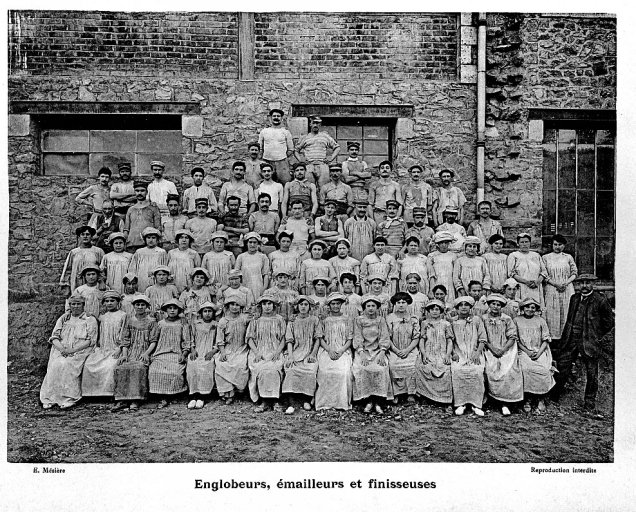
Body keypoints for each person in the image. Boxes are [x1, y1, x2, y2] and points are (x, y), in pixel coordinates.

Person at [553, 273, 614, 414]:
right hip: (571, 339)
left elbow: (609, 323)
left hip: (589, 341)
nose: (584, 286)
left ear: (593, 284)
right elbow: (570, 319)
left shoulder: (600, 300)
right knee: (562, 367)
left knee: (592, 372)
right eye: (581, 283)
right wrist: (566, 336)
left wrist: (596, 335)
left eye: (587, 283)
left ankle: (589, 402)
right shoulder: (574, 298)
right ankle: (555, 396)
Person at [40, 293, 98, 409]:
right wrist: (62, 349)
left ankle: (69, 397)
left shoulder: (89, 319)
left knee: (68, 365)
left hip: (81, 350)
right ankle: (50, 397)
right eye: (73, 304)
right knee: (56, 364)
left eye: (78, 304)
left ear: (83, 305)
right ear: (69, 305)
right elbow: (54, 336)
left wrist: (72, 350)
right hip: (62, 350)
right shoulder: (64, 318)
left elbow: (90, 340)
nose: (75, 306)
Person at [112, 294, 159, 411]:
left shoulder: (152, 322)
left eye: (143, 305)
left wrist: (147, 353)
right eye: (137, 304)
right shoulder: (129, 320)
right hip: (131, 351)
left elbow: (153, 341)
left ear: (147, 306)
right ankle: (122, 399)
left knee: (139, 368)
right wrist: (124, 354)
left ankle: (135, 400)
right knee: (122, 367)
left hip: (145, 351)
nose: (140, 307)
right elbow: (125, 340)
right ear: (133, 306)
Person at [482, 293, 523, 416]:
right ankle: (490, 399)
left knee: (508, 370)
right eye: (493, 304)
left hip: (506, 348)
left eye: (498, 304)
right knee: (490, 368)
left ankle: (504, 403)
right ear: (489, 305)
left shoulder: (507, 319)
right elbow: (482, 337)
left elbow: (512, 337)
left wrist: (503, 349)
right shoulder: (483, 318)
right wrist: (493, 349)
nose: (495, 306)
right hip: (488, 348)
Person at [81, 290, 127, 399]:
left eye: (112, 301)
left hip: (116, 348)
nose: (109, 303)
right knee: (89, 364)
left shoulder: (123, 315)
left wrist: (119, 348)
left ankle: (109, 394)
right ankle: (92, 394)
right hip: (103, 348)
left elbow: (124, 334)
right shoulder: (102, 317)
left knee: (110, 366)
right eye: (107, 301)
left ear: (118, 302)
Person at [353, 296, 394, 414]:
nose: (371, 309)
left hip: (378, 351)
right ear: (364, 308)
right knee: (362, 368)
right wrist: (361, 353)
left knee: (381, 368)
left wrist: (382, 352)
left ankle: (378, 401)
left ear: (377, 308)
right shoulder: (359, 320)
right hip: (363, 351)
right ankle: (368, 400)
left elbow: (384, 337)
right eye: (368, 306)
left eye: (373, 306)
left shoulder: (381, 320)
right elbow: (357, 337)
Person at [247, 292, 287, 412]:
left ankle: (275, 400)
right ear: (261, 306)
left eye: (269, 303)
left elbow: (284, 339)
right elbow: (249, 339)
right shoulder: (256, 320)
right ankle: (264, 401)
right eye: (264, 304)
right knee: (260, 368)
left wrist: (278, 352)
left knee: (275, 368)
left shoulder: (279, 319)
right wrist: (257, 352)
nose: (267, 306)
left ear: (274, 305)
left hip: (275, 350)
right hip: (259, 351)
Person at [515, 297, 555, 414]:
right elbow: (516, 340)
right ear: (523, 308)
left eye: (533, 307)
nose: (530, 309)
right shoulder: (517, 320)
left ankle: (540, 398)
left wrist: (539, 353)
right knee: (525, 369)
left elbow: (546, 339)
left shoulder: (541, 320)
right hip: (523, 351)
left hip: (540, 350)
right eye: (527, 307)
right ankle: (527, 398)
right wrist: (527, 352)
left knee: (544, 370)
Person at [282, 295, 322, 413]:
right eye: (301, 305)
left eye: (306, 305)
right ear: (297, 306)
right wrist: (290, 356)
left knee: (310, 370)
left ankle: (306, 399)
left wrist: (313, 354)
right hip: (295, 351)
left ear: (309, 307)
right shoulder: (292, 321)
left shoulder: (314, 320)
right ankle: (291, 402)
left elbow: (318, 338)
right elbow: (289, 340)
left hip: (309, 351)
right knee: (291, 369)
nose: (303, 307)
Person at [149, 299, 191, 409]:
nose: (172, 310)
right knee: (155, 370)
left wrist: (184, 353)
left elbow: (186, 341)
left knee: (175, 372)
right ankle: (162, 397)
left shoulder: (183, 323)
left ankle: (173, 395)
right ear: (166, 310)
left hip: (176, 353)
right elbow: (154, 339)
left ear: (179, 310)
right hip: (161, 353)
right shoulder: (160, 323)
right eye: (170, 308)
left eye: (175, 308)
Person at [316, 292, 354, 411]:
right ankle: (324, 403)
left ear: (341, 305)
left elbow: (350, 339)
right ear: (329, 305)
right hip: (327, 349)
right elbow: (320, 338)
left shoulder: (347, 319)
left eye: (338, 303)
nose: (336, 306)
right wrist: (329, 350)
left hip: (343, 350)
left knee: (343, 372)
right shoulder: (324, 320)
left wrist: (341, 350)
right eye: (333, 304)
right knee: (325, 371)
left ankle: (341, 403)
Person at [449, 296, 487, 416]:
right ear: (457, 308)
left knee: (477, 371)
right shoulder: (453, 322)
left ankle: (476, 404)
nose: (464, 307)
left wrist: (477, 353)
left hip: (474, 352)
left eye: (466, 305)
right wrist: (453, 353)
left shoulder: (476, 320)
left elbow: (482, 339)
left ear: (470, 307)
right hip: (458, 352)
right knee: (457, 370)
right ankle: (461, 404)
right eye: (461, 305)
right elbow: (450, 340)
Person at [415, 299, 454, 407]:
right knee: (423, 367)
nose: (435, 311)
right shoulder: (424, 323)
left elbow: (449, 340)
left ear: (441, 311)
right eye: (432, 309)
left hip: (441, 352)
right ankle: (426, 396)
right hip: (429, 351)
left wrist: (447, 354)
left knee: (446, 369)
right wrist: (423, 353)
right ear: (428, 311)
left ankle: (444, 399)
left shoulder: (446, 324)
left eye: (437, 309)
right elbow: (422, 339)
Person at [214, 296, 251, 404]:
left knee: (240, 364)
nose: (234, 307)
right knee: (221, 364)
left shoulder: (245, 319)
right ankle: (228, 393)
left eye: (237, 305)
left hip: (242, 348)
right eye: (232, 305)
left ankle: (239, 390)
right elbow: (220, 340)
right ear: (228, 306)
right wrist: (223, 352)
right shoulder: (223, 321)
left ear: (240, 307)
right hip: (227, 348)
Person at [386, 292, 420, 404]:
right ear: (395, 304)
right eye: (398, 302)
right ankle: (397, 393)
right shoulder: (390, 318)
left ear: (408, 303)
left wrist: (407, 350)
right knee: (393, 365)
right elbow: (387, 338)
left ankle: (411, 393)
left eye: (403, 302)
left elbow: (416, 338)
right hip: (394, 349)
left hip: (409, 349)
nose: (401, 305)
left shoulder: (413, 318)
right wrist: (396, 350)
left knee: (413, 364)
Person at [542, 234, 578, 340]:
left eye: (560, 245)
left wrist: (566, 283)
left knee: (567, 311)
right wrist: (555, 284)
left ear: (564, 246)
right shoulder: (545, 257)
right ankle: (553, 339)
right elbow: (544, 275)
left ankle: (566, 339)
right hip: (552, 288)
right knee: (552, 312)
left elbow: (574, 273)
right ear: (552, 245)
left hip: (567, 288)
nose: (557, 247)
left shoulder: (568, 257)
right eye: (555, 244)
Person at [186, 301, 218, 410]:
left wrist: (212, 352)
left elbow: (218, 342)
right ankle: (193, 395)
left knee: (206, 366)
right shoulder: (195, 324)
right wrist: (193, 350)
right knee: (192, 364)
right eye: (205, 311)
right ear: (201, 313)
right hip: (198, 350)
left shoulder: (216, 325)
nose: (207, 314)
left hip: (209, 351)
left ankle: (203, 396)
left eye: (210, 311)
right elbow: (191, 339)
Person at [294, 115, 340, 189]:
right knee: (309, 188)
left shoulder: (325, 136)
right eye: (314, 123)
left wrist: (331, 158)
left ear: (320, 125)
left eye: (317, 123)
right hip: (309, 166)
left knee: (324, 188)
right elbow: (296, 150)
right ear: (310, 124)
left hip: (322, 165)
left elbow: (337, 148)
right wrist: (301, 160)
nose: (315, 125)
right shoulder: (305, 137)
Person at [507, 232, 547, 309]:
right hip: (521, 287)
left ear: (530, 243)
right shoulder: (513, 255)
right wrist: (526, 282)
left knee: (535, 307)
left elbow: (544, 271)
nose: (524, 244)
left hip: (536, 287)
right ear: (518, 243)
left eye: (526, 242)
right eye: (522, 242)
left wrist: (537, 282)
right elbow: (511, 273)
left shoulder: (536, 255)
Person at [60, 225, 105, 293]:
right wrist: (66, 286)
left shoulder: (98, 251)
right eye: (82, 234)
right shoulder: (73, 252)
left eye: (88, 234)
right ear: (79, 237)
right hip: (76, 282)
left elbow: (103, 269)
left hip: (93, 283)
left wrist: (101, 281)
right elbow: (68, 270)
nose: (85, 236)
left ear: (91, 236)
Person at [123, 180, 162, 253]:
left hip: (147, 244)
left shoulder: (153, 208)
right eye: (137, 191)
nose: (139, 193)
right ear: (134, 192)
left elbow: (158, 228)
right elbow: (126, 229)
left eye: (142, 191)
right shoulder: (131, 209)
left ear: (146, 192)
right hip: (132, 244)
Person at [258, 108, 294, 185]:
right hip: (267, 161)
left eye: (278, 116)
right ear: (270, 118)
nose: (276, 117)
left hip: (282, 163)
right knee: (266, 183)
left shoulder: (286, 132)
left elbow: (291, 149)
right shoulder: (264, 131)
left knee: (285, 182)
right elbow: (260, 148)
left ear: (281, 118)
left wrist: (281, 157)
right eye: (274, 116)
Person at [127, 227, 168, 293]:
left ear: (157, 239)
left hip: (156, 279)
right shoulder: (139, 252)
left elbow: (165, 267)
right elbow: (133, 268)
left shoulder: (161, 252)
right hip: (142, 278)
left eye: (153, 238)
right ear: (145, 239)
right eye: (148, 238)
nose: (151, 240)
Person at [235, 233, 270, 299]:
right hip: (244, 287)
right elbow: (236, 275)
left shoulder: (263, 257)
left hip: (258, 287)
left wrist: (264, 289)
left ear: (258, 244)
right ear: (246, 243)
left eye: (255, 242)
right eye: (250, 242)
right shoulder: (241, 257)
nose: (252, 245)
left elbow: (266, 275)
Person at [426, 231, 458, 302]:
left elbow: (455, 273)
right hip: (437, 282)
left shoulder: (453, 256)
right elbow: (431, 274)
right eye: (441, 243)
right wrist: (431, 289)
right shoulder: (432, 256)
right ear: (437, 244)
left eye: (446, 243)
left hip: (449, 283)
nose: (444, 245)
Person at [368, 160, 402, 224]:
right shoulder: (374, 185)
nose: (384, 170)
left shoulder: (396, 185)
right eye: (382, 168)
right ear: (379, 171)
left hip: (391, 215)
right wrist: (372, 220)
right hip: (378, 214)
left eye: (387, 168)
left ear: (391, 171)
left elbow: (400, 204)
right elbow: (370, 204)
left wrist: (396, 218)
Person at [167, 230, 201, 294]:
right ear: (178, 240)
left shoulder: (194, 253)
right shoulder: (171, 253)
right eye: (181, 237)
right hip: (173, 282)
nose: (184, 240)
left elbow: (198, 271)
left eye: (186, 238)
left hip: (188, 283)